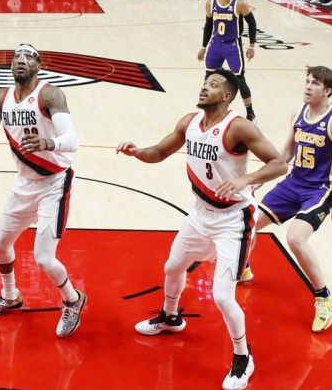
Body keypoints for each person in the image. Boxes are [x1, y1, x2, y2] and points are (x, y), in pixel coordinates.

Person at [116, 69, 287, 390]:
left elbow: (279, 164)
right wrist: (137, 151)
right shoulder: (189, 122)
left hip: (234, 220)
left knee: (223, 296)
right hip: (199, 215)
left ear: (226, 96)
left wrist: (245, 180)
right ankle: (170, 317)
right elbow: (159, 152)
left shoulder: (239, 126)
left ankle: (242, 355)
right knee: (172, 267)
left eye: (213, 85)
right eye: (204, 83)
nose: (204, 88)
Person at [0, 44, 86, 338]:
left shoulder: (49, 94)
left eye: (29, 56)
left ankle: (73, 300)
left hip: (54, 183)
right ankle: (10, 297)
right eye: (17, 56)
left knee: (44, 258)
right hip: (24, 183)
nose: (21, 60)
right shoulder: (2, 97)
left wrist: (49, 143)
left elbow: (73, 140)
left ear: (39, 65)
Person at [243, 66, 332, 332]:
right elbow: (286, 152)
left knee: (295, 238)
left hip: (322, 189)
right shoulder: (298, 112)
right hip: (293, 183)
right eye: (307, 81)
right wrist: (261, 180)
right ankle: (244, 267)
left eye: (315, 84)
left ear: (327, 91)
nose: (308, 86)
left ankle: (325, 297)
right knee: (248, 224)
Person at [197, 0, 259, 123]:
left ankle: (250, 113)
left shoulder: (240, 3)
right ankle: (208, 110)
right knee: (209, 78)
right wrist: (203, 47)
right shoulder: (210, 3)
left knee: (239, 79)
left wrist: (251, 46)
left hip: (233, 45)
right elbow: (208, 26)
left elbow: (252, 23)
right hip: (216, 44)